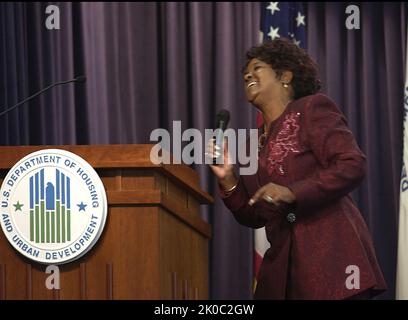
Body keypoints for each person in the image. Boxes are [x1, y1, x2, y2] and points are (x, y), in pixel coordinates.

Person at [207, 38, 387, 299]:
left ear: (285, 76)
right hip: (282, 274)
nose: (248, 74)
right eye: (245, 72)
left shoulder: (312, 109)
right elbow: (253, 215)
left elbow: (352, 164)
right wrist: (228, 179)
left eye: (257, 67)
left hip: (332, 261)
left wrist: (293, 192)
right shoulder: (249, 145)